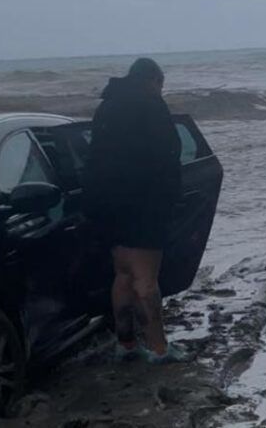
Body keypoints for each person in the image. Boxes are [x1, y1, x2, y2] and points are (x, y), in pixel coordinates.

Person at [83, 58, 189, 364]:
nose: (161, 91)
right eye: (161, 85)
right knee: (146, 279)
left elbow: (96, 155)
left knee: (123, 275)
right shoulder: (151, 105)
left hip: (106, 205)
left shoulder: (107, 106)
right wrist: (172, 197)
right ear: (153, 80)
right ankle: (159, 348)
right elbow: (168, 154)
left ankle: (126, 343)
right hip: (144, 205)